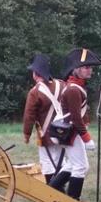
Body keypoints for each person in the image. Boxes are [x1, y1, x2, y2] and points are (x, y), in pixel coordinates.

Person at [59, 48, 101, 200]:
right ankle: (73, 201)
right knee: (80, 167)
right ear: (77, 69)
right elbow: (76, 117)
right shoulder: (73, 89)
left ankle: (54, 188)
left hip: (73, 131)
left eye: (90, 67)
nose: (90, 70)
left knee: (73, 165)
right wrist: (86, 138)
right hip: (72, 132)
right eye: (86, 67)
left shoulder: (76, 86)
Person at [22, 53, 69, 189]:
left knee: (47, 162)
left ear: (35, 74)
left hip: (46, 133)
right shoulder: (62, 84)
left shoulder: (35, 92)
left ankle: (52, 189)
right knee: (60, 160)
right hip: (64, 130)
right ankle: (60, 187)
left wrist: (26, 134)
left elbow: (29, 115)